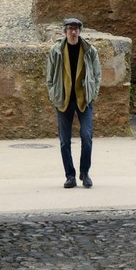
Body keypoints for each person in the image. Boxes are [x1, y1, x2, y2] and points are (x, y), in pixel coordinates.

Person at [45, 14, 101, 188]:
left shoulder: (90, 51)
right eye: (70, 29)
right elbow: (50, 77)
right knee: (64, 141)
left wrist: (93, 93)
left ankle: (85, 173)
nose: (73, 32)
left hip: (84, 99)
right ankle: (70, 176)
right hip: (64, 100)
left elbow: (97, 75)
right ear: (65, 32)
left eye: (76, 29)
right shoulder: (56, 51)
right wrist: (54, 94)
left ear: (80, 31)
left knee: (87, 136)